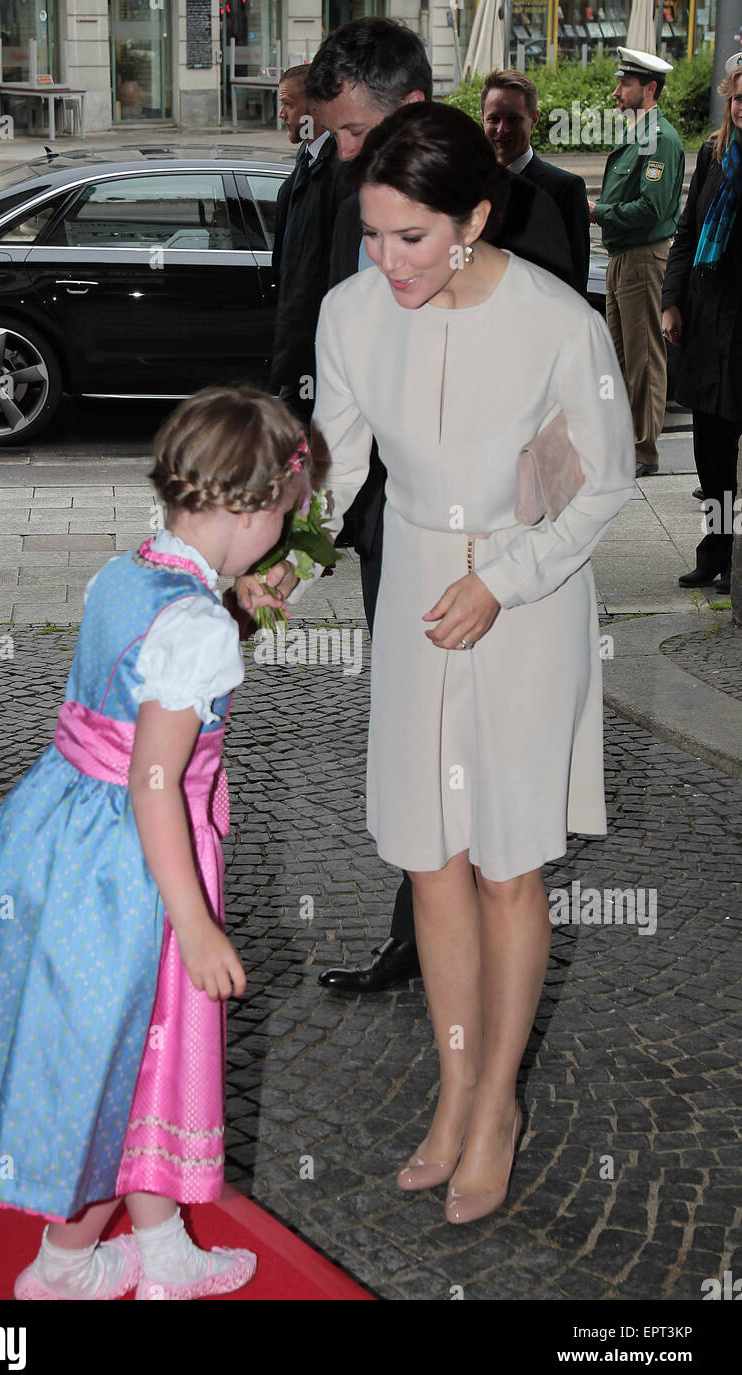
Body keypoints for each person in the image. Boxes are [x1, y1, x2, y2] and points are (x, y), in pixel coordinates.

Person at [246, 101, 635, 1220]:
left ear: (473, 217)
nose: (387, 261)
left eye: (410, 237)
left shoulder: (563, 321)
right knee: (430, 858)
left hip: (526, 598)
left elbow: (606, 484)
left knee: (507, 863)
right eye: (371, 234)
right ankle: (456, 1086)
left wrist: (503, 580)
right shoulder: (352, 314)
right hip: (417, 587)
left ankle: (497, 1105)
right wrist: (286, 563)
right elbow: (339, 467)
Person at [0, 386, 306, 1299]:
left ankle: (159, 1246)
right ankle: (64, 1266)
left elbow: (142, 678)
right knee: (114, 1067)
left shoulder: (129, 572)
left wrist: (236, 605)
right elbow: (155, 779)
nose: (282, 531)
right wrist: (195, 924)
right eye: (281, 514)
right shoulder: (195, 627)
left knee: (135, 1052)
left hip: (60, 829)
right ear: (246, 511)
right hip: (134, 867)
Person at [301, 16, 574, 994]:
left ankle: (470, 946)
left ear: (407, 110)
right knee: (421, 744)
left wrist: (510, 555)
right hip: (393, 527)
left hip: (506, 559)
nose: (332, 151)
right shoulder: (352, 191)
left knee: (497, 782)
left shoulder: (534, 208)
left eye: (345, 130)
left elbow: (566, 427)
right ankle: (422, 926)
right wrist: (285, 548)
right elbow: (333, 347)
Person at [662, 53, 742, 596]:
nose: (741, 106)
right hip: (705, 324)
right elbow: (687, 232)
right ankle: (715, 552)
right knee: (710, 458)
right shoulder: (713, 155)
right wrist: (672, 302)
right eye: (736, 97)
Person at [589, 46, 685, 478]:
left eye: (624, 83)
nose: (616, 91)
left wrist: (599, 213)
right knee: (619, 357)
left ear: (649, 88)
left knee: (644, 355)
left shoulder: (660, 139)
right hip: (622, 255)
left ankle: (644, 451)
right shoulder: (637, 135)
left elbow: (651, 208)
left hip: (644, 256)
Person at [270, 64, 344, 426]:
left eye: (288, 103)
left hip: (318, 351)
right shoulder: (308, 160)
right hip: (300, 345)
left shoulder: (340, 172)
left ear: (315, 108)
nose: (281, 114)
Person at [480, 68, 591, 297]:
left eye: (513, 119)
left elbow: (575, 283)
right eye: (494, 119)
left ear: (534, 119)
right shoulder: (465, 185)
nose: (502, 129)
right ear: (482, 118)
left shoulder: (565, 189)